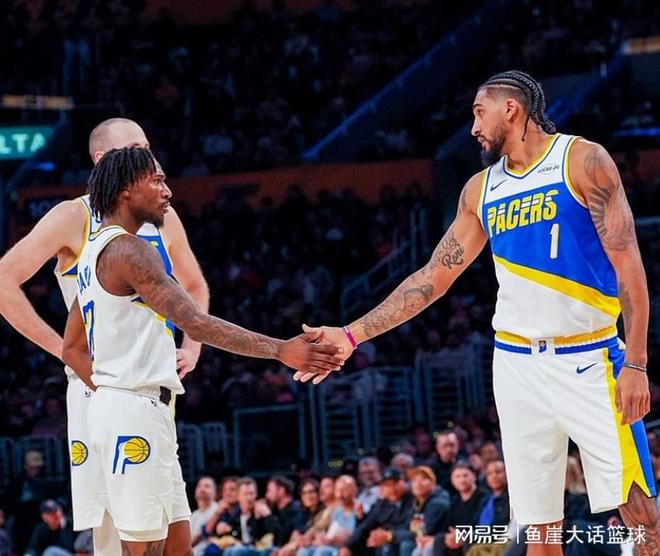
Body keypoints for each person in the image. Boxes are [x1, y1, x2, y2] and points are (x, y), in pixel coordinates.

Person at [298, 69, 659, 555]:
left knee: (640, 513)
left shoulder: (582, 160)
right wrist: (351, 334)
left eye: (478, 113)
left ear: (511, 108)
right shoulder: (480, 189)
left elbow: (629, 266)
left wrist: (636, 363)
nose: (472, 128)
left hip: (590, 358)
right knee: (539, 528)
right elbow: (432, 277)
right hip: (515, 366)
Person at [61, 147, 343, 555]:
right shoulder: (130, 251)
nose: (168, 191)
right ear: (126, 190)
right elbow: (195, 322)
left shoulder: (90, 254)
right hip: (133, 414)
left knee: (179, 546)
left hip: (136, 409)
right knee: (144, 548)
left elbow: (71, 349)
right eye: (157, 181)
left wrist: (109, 390)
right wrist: (281, 349)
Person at [0, 118, 210, 555]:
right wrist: (62, 350)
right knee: (117, 533)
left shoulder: (161, 217)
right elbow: (4, 280)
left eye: (148, 147)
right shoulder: (72, 215)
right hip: (103, 388)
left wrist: (192, 346)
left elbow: (194, 284)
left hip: (154, 387)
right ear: (102, 159)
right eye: (136, 148)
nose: (148, 158)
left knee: (171, 532)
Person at [191, 477, 219, 556]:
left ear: (215, 493)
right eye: (199, 486)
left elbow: (197, 537)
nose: (202, 489)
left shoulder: (217, 509)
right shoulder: (194, 514)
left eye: (207, 486)